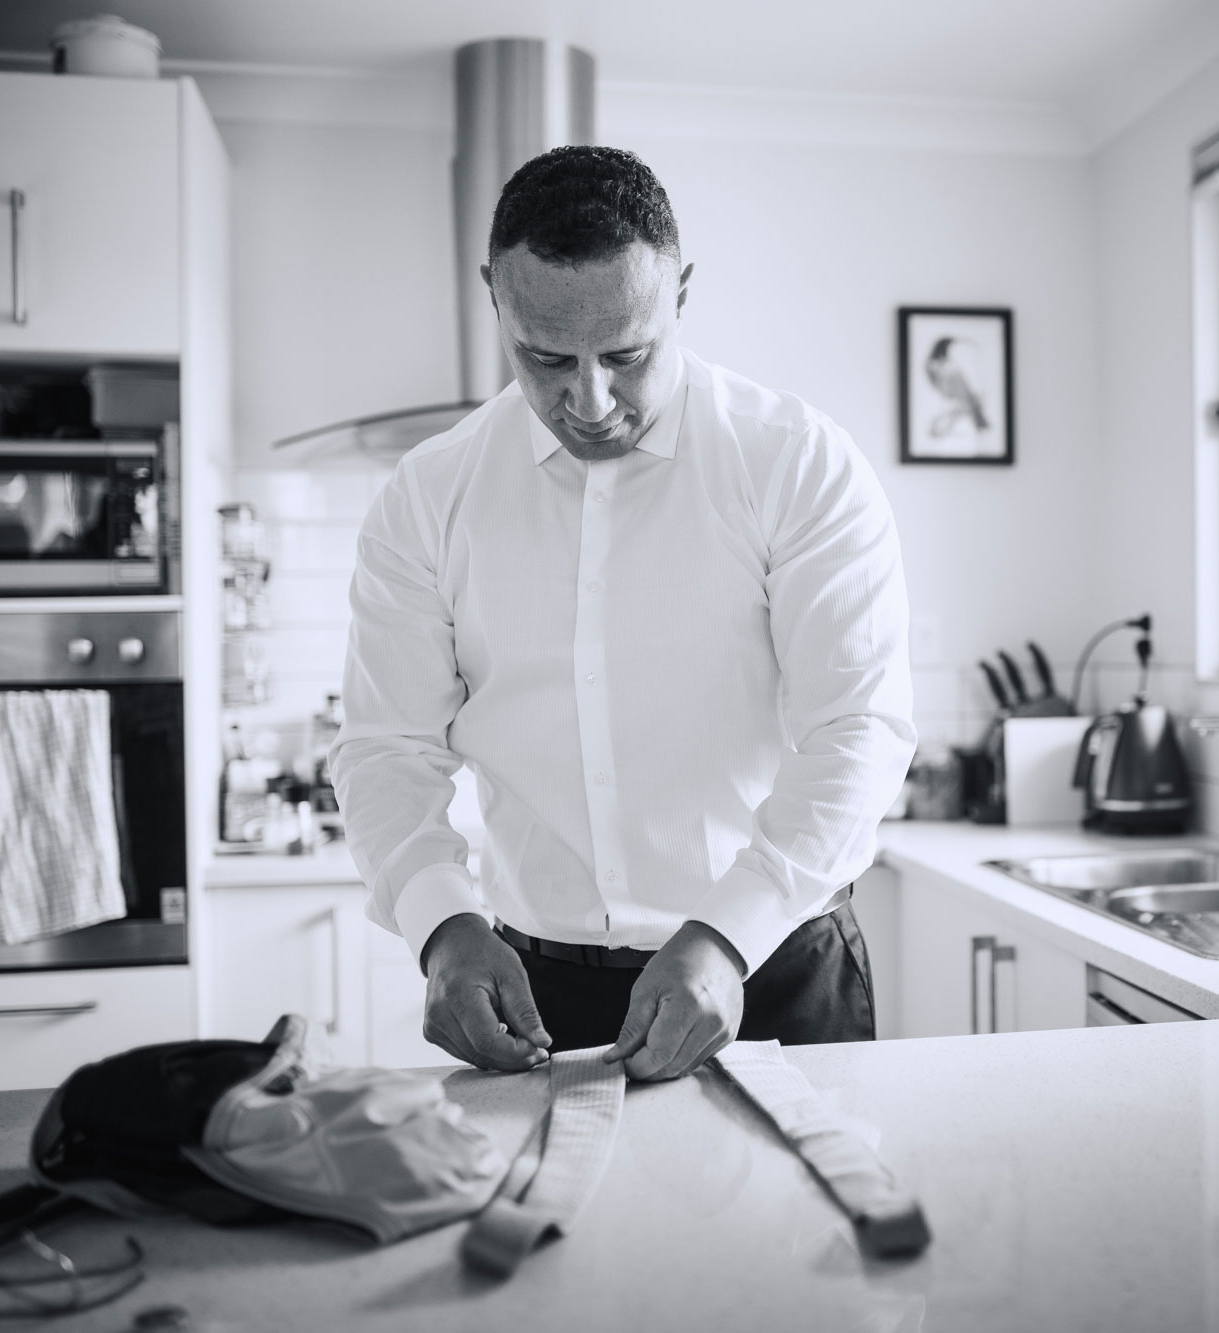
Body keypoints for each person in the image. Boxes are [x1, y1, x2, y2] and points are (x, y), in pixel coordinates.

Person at [331, 146, 914, 1082]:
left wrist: (727, 935)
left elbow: (858, 731)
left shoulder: (797, 463)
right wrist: (441, 926)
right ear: (496, 297)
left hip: (774, 966)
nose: (591, 400)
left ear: (680, 292)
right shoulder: (427, 495)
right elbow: (385, 747)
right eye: (546, 357)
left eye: (628, 355)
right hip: (534, 990)